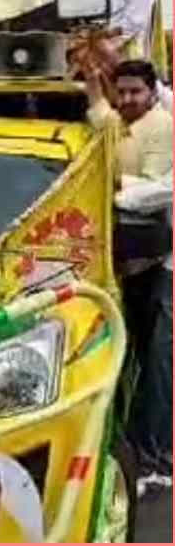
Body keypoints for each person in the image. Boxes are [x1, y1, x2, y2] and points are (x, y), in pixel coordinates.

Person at [116, 170, 174, 496]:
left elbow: (160, 191)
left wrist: (115, 191)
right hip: (161, 268)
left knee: (162, 365)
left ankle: (156, 464)